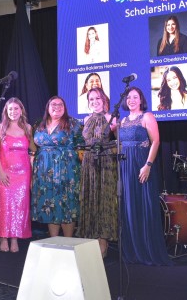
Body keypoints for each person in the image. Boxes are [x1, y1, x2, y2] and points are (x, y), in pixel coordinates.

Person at [119, 86, 172, 265]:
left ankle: (147, 250)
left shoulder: (147, 116)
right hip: (125, 165)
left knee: (144, 206)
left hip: (141, 163)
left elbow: (155, 141)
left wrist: (148, 165)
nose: (131, 100)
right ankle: (132, 251)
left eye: (135, 97)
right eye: (129, 97)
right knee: (129, 207)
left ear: (141, 100)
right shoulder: (123, 119)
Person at [31, 96, 84, 238]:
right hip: (43, 171)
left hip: (66, 170)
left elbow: (82, 145)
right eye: (53, 104)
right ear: (47, 107)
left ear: (65, 108)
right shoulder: (39, 124)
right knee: (50, 203)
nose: (57, 107)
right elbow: (32, 147)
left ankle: (68, 241)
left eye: (61, 104)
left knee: (67, 204)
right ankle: (54, 240)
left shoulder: (73, 123)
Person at [76, 88, 117, 258]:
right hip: (89, 163)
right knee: (90, 199)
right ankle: (91, 240)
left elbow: (119, 142)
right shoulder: (85, 119)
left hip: (105, 162)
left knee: (104, 200)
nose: (95, 101)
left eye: (97, 98)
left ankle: (103, 242)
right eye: (91, 99)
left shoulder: (111, 118)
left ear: (104, 99)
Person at [0, 98, 35, 253]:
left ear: (21, 110)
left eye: (16, 109)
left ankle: (15, 238)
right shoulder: (0, 128)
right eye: (10, 109)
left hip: (23, 174)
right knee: (5, 205)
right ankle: (3, 237)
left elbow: (32, 150)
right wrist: (1, 172)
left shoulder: (28, 128)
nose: (13, 112)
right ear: (6, 111)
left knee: (19, 205)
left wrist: (33, 166)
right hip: (4, 172)